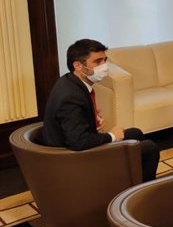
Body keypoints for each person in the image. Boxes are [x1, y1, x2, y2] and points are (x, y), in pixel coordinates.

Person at [41, 39, 160, 182]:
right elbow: (79, 142)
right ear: (78, 66)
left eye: (105, 60)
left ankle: (130, 182)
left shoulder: (69, 81)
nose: (104, 66)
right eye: (97, 62)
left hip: (73, 147)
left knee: (136, 133)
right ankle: (143, 194)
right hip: (74, 159)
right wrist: (112, 136)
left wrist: (91, 116)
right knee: (149, 148)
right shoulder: (71, 97)